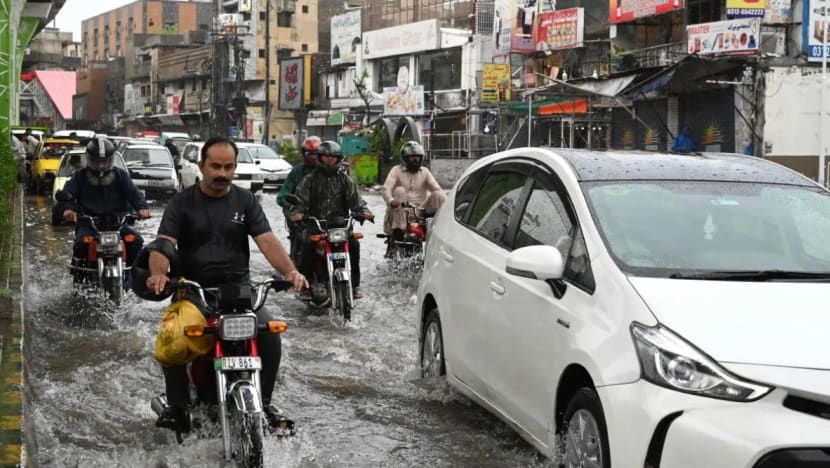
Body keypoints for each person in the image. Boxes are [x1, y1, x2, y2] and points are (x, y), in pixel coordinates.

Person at [141, 136, 308, 433]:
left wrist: (291, 272)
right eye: (215, 166)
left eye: (228, 167)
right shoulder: (181, 203)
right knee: (173, 337)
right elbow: (163, 246)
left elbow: (267, 241)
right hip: (193, 292)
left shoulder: (245, 201)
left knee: (269, 334)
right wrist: (159, 274)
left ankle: (265, 403)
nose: (222, 173)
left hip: (239, 291)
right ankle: (177, 407)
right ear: (201, 165)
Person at [290, 140, 374, 299]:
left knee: (354, 245)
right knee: (306, 245)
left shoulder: (345, 179)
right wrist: (298, 213)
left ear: (338, 159)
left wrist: (364, 211)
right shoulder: (310, 179)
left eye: (333, 157)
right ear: (320, 158)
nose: (329, 160)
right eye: (326, 157)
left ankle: (355, 286)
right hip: (316, 225)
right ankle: (306, 287)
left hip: (340, 226)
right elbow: (300, 201)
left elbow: (356, 201)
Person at [55, 137, 151, 270]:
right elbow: (67, 195)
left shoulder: (121, 175)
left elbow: (134, 193)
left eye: (105, 162)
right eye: (97, 162)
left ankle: (130, 276)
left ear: (111, 160)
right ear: (89, 159)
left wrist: (142, 208)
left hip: (117, 224)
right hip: (89, 225)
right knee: (81, 244)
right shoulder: (79, 176)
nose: (101, 166)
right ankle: (79, 279)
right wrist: (67, 210)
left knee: (136, 241)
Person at [382, 141, 445, 255]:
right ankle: (400, 231)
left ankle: (441, 230)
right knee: (399, 190)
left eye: (417, 157)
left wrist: (450, 205)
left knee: (438, 195)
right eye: (412, 157)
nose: (415, 159)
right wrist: (391, 201)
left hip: (419, 212)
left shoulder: (425, 172)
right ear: (405, 158)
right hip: (399, 212)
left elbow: (437, 189)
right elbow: (386, 189)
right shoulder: (396, 170)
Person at [277, 136, 321, 261]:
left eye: (316, 154)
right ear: (304, 154)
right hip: (301, 215)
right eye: (310, 154)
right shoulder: (297, 172)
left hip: (323, 216)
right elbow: (282, 197)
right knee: (299, 234)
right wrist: (293, 209)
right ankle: (295, 263)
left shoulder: (332, 172)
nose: (313, 157)